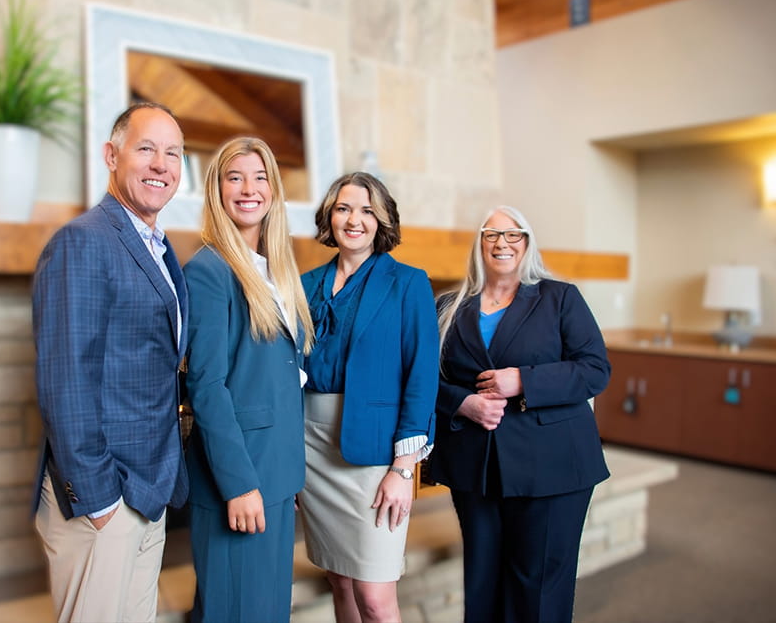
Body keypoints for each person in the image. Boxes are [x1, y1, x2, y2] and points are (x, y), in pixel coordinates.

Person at [31, 102, 189, 623]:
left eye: (173, 153)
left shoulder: (162, 251)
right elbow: (65, 381)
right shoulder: (82, 242)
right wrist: (99, 501)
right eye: (146, 148)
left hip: (149, 490)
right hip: (104, 500)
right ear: (111, 155)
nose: (161, 164)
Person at [428, 205, 611, 623]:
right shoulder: (448, 306)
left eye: (513, 235)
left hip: (553, 465)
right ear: (479, 245)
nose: (502, 243)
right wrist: (463, 402)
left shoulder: (560, 298)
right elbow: (424, 378)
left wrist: (524, 381)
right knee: (483, 582)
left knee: (540, 585)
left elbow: (595, 370)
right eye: (491, 234)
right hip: (476, 466)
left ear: (527, 244)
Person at [183, 136, 313, 623]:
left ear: (275, 191)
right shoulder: (209, 270)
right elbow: (207, 387)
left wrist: (285, 475)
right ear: (216, 189)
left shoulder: (274, 270)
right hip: (239, 481)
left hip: (274, 476)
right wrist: (239, 485)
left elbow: (280, 380)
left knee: (265, 611)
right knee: (234, 612)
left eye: (260, 178)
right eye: (234, 177)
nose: (248, 188)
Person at [299, 172, 439, 623]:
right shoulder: (303, 284)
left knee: (376, 599)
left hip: (376, 455)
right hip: (311, 449)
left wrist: (404, 469)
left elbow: (422, 375)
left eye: (366, 210)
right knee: (339, 580)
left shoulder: (408, 282)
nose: (353, 220)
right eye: (343, 209)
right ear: (329, 217)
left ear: (382, 220)